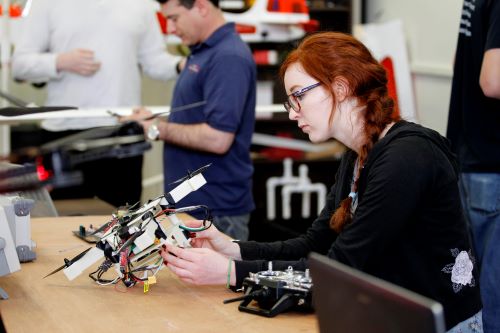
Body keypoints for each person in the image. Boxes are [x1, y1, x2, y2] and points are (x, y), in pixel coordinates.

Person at [159, 32, 483, 332]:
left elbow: (340, 270)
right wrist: (232, 250)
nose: (292, 113)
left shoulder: (407, 157)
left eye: (297, 95)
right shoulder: (357, 155)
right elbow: (316, 244)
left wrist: (230, 273)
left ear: (340, 88)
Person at [11, 0, 180, 207]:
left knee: (124, 227)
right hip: (65, 135)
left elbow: (155, 61)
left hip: (123, 135)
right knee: (61, 224)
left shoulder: (141, 4)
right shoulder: (46, 2)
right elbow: (19, 65)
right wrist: (59, 61)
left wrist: (182, 65)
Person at [129, 0, 256, 240]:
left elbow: (218, 139)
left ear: (201, 7)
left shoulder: (228, 57)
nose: (170, 29)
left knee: (219, 279)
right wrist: (150, 120)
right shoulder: (204, 52)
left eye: (174, 18)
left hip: (216, 212)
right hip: (195, 208)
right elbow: (195, 117)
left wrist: (156, 128)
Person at [446, 1, 500, 332]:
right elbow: (492, 80)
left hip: (470, 158)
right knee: (493, 299)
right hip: (493, 165)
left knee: (470, 290)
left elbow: (462, 61)